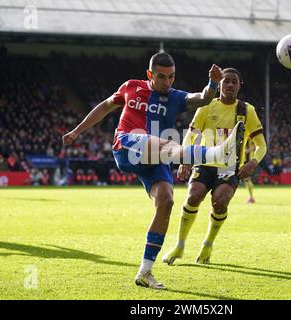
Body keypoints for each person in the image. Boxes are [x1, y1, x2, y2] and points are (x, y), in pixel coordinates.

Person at [62, 52, 245, 289]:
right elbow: (106, 106)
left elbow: (202, 98)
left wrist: (212, 84)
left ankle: (145, 272)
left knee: (166, 200)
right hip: (127, 146)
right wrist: (78, 130)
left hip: (155, 157)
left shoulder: (176, 97)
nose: (167, 82)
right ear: (150, 75)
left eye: (171, 77)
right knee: (157, 140)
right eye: (161, 77)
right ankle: (217, 154)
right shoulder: (131, 87)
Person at [162, 68, 267, 265]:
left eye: (234, 81)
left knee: (220, 201)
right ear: (219, 84)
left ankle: (208, 244)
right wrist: (185, 159)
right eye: (226, 81)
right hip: (204, 162)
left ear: (239, 85)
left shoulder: (246, 110)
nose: (230, 85)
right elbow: (191, 135)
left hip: (229, 167)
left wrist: (253, 162)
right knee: (193, 196)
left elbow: (262, 144)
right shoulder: (206, 106)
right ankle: (180, 245)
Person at [245, 139, 257, 204]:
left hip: (249, 160)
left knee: (247, 179)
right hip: (245, 160)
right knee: (247, 180)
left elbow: (254, 147)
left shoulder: (250, 138)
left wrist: (247, 150)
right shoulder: (245, 137)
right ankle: (251, 196)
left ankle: (251, 197)